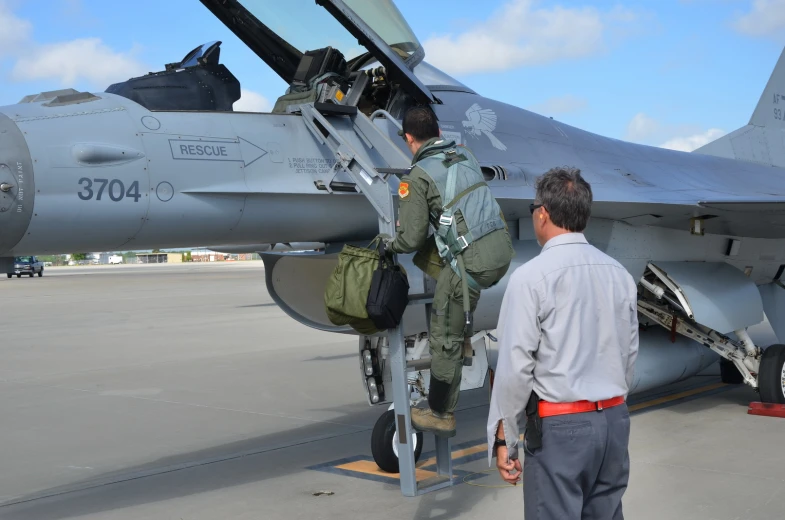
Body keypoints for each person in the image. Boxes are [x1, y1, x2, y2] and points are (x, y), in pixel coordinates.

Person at [487, 166, 639, 520]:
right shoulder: (620, 274)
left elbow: (514, 368)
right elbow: (629, 354)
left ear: (542, 213)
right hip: (614, 422)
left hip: (561, 430)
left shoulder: (530, 278)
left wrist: (504, 439)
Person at [383, 105, 514, 438]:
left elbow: (411, 239)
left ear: (409, 139)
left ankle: (441, 413)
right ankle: (461, 332)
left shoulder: (417, 177)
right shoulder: (465, 155)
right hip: (500, 250)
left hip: (472, 264)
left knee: (443, 336)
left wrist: (389, 245)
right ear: (439, 134)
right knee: (433, 258)